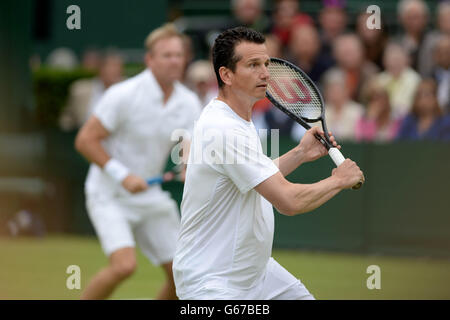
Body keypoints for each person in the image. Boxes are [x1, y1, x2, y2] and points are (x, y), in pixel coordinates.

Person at [172, 27, 364, 300]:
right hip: (212, 282)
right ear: (226, 75)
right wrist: (338, 180)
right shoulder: (224, 129)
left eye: (266, 63)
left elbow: (254, 178)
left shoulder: (238, 118)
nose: (265, 73)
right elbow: (288, 201)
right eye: (253, 65)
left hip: (255, 273)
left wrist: (298, 153)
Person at [74, 23, 202, 300]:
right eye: (166, 55)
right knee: (124, 266)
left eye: (179, 55)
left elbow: (188, 145)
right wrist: (123, 175)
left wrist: (188, 163)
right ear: (150, 60)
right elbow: (85, 140)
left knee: (184, 276)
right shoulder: (123, 94)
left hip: (150, 196)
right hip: (108, 194)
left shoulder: (189, 102)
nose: (174, 61)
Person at [59, 52, 124, 131]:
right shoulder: (79, 89)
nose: (115, 71)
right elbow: (67, 117)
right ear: (101, 69)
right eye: (111, 67)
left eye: (118, 68)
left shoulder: (127, 93)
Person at [375, 43, 421, 118]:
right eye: (391, 60)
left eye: (397, 59)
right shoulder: (380, 80)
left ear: (407, 60)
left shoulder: (415, 80)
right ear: (384, 62)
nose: (394, 63)